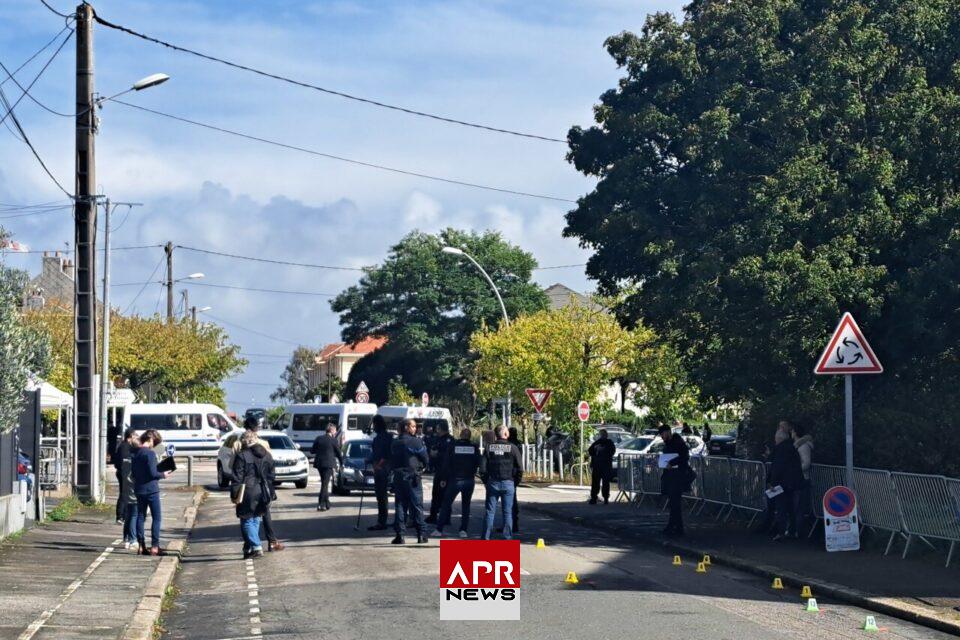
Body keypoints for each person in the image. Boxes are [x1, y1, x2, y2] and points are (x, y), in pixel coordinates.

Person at [232, 431, 276, 559]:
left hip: (248, 490)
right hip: (264, 490)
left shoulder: (242, 456)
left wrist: (234, 494)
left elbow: (237, 478)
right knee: (256, 517)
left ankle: (256, 546)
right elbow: (272, 474)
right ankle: (252, 546)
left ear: (244, 442)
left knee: (246, 519)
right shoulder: (267, 455)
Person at [132, 429, 172, 555]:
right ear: (150, 439)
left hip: (139, 489)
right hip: (151, 490)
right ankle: (155, 546)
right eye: (154, 443)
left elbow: (133, 473)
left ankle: (141, 545)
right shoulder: (149, 454)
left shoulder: (135, 453)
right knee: (157, 518)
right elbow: (153, 473)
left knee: (140, 516)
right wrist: (163, 474)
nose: (154, 446)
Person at [435, 428, 480, 538]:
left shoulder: (453, 446)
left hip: (455, 480)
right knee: (466, 505)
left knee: (446, 504)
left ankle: (439, 529)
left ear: (460, 435)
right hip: (469, 480)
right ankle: (463, 530)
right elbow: (478, 463)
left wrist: (443, 479)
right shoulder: (474, 448)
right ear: (469, 436)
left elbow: (446, 463)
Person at [480, 425, 523, 540]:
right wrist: (515, 482)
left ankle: (485, 537)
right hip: (508, 483)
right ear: (505, 434)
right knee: (507, 512)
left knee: (490, 512)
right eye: (507, 431)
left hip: (493, 482)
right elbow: (520, 468)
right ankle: (507, 538)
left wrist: (486, 482)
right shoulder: (513, 448)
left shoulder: (489, 448)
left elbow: (482, 469)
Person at [390, 419, 429, 544]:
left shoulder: (395, 442)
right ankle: (421, 534)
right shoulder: (415, 442)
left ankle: (400, 535)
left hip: (398, 476)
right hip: (412, 477)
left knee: (400, 505)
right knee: (417, 505)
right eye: (413, 426)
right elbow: (425, 458)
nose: (415, 428)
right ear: (406, 427)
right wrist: (423, 465)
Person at [769, 427, 804, 541]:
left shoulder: (780, 449)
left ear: (779, 438)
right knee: (791, 508)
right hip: (793, 483)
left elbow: (777, 468)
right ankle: (792, 531)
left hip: (782, 484)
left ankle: (781, 531)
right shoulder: (792, 448)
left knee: (781, 508)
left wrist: (772, 482)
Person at [658, 425, 690, 537]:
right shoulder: (668, 444)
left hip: (678, 476)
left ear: (668, 432)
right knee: (673, 503)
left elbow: (685, 457)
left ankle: (678, 528)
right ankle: (673, 526)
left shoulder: (678, 442)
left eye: (662, 434)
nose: (661, 436)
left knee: (675, 503)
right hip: (670, 476)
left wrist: (672, 463)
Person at [367, 415, 394, 531]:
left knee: (381, 496)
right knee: (382, 497)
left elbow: (384, 454)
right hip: (382, 468)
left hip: (382, 468)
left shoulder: (381, 438)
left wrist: (377, 465)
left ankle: (382, 521)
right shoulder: (386, 437)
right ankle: (382, 520)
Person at [425, 422, 454, 525]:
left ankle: (446, 518)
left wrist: (437, 454)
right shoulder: (437, 439)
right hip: (438, 470)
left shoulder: (450, 440)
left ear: (441, 429)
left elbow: (449, 455)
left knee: (445, 495)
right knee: (436, 494)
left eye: (437, 429)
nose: (436, 431)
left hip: (446, 471)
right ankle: (433, 516)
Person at [311, 423, 342, 512]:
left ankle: (327, 503)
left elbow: (312, 451)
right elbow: (339, 453)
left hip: (319, 464)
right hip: (328, 464)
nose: (335, 432)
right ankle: (321, 504)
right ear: (332, 430)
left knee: (324, 483)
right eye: (335, 431)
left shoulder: (318, 438)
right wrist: (341, 463)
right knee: (325, 484)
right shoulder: (333, 440)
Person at [118, 428, 140, 550]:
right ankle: (132, 539)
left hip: (127, 487)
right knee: (133, 514)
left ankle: (127, 538)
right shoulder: (133, 459)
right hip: (133, 490)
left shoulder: (127, 457)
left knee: (129, 514)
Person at [792, 423, 814, 537]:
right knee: (796, 505)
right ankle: (795, 529)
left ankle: (798, 531)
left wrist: (795, 470)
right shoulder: (798, 446)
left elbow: (806, 463)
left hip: (802, 478)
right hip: (799, 478)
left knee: (799, 506)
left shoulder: (803, 447)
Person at [113, 428, 137, 524]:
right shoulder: (125, 447)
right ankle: (120, 516)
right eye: (135, 436)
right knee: (123, 494)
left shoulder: (126, 446)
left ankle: (124, 515)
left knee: (125, 494)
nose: (136, 438)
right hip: (123, 473)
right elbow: (123, 461)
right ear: (131, 436)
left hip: (124, 472)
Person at [587, 428, 616, 504]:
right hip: (597, 466)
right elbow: (590, 451)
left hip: (605, 466)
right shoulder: (597, 443)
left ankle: (605, 498)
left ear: (606, 435)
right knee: (596, 483)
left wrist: (600, 454)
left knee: (605, 483)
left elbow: (612, 452)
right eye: (602, 434)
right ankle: (594, 498)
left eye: (603, 434)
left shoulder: (609, 443)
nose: (602, 436)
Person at [507, 427, 523, 532]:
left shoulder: (509, 445)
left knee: (508, 504)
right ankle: (514, 524)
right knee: (513, 502)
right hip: (514, 474)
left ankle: (509, 526)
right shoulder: (518, 444)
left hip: (508, 475)